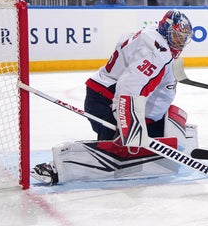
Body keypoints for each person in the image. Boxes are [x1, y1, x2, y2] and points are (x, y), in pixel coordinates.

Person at [30, 10, 195, 185]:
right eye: (176, 36)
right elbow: (128, 86)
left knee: (144, 143)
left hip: (107, 95)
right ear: (165, 29)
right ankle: (54, 168)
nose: (180, 42)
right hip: (106, 101)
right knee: (111, 154)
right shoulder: (156, 53)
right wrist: (127, 123)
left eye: (184, 38)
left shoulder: (153, 35)